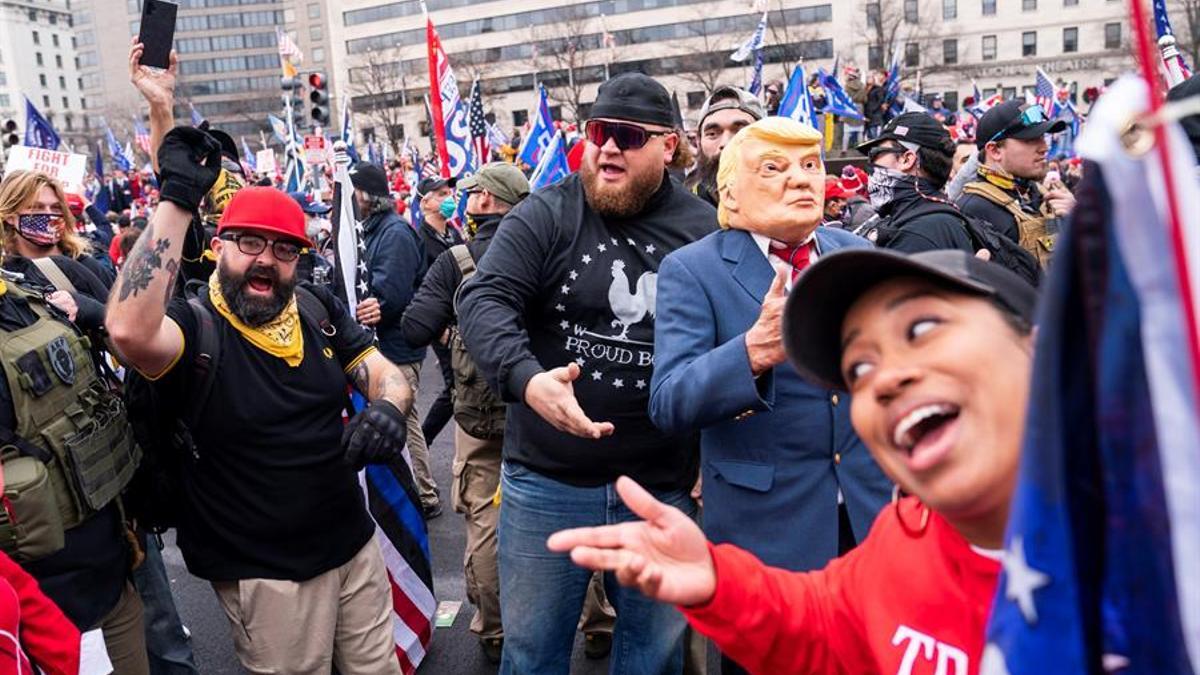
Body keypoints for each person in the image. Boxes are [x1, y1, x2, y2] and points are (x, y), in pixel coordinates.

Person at [549, 248, 1039, 675]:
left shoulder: (1113, 555)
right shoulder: (905, 536)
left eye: (924, 328)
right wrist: (719, 584)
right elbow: (826, 628)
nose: (885, 379)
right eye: (860, 368)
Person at [107, 127, 415, 675]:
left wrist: (390, 405)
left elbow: (382, 372)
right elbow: (128, 331)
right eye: (250, 242)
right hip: (268, 576)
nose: (266, 260)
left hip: (354, 549)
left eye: (284, 248)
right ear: (220, 246)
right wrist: (178, 197)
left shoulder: (316, 309)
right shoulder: (194, 328)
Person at [458, 72, 717, 674]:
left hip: (658, 486)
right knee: (531, 657)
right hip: (546, 482)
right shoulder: (546, 213)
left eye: (627, 135)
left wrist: (712, 448)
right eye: (598, 131)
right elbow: (483, 299)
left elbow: (726, 341)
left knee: (654, 659)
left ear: (668, 145)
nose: (607, 147)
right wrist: (527, 379)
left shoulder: (702, 227)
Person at [649, 117, 892, 674]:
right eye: (775, 168)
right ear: (731, 190)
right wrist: (752, 353)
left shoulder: (854, 253)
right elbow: (669, 401)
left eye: (811, 166)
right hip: (766, 537)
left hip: (870, 521)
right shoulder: (693, 270)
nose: (801, 180)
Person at [0, 176, 147, 674]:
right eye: (32, 208)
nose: (48, 215)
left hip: (108, 560)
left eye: (52, 206)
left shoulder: (37, 291)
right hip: (39, 604)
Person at [348, 161, 442, 518]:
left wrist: (375, 307)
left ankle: (425, 494)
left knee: (403, 417)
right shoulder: (372, 230)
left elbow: (393, 293)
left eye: (352, 191)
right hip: (387, 343)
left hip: (398, 344)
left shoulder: (394, 234)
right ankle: (420, 490)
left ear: (367, 195)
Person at [957, 100, 1073, 268]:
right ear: (995, 150)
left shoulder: (1042, 194)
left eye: (1042, 137)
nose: (1044, 147)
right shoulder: (973, 209)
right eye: (1031, 139)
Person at [853, 112, 976, 254]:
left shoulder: (917, 234)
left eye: (875, 153)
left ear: (907, 159)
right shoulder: (936, 215)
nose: (871, 164)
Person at [411, 175, 465, 448]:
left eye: (449, 193)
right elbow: (419, 287)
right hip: (442, 326)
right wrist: (439, 329)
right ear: (425, 202)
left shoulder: (453, 233)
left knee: (465, 381)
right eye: (441, 194)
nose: (449, 198)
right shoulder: (419, 240)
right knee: (455, 386)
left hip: (463, 320)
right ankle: (424, 439)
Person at [685, 86, 765, 207]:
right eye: (712, 134)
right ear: (698, 141)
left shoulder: (794, 201)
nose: (726, 143)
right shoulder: (684, 208)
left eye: (740, 131)